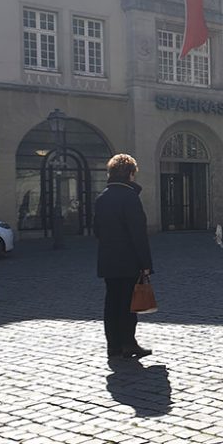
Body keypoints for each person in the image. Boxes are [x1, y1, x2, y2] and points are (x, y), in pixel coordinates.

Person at [93, 154, 154, 360]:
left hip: (108, 260)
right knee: (129, 304)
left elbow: (97, 230)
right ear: (130, 174)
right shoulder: (130, 198)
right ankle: (128, 342)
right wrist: (145, 264)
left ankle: (113, 346)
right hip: (128, 261)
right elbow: (138, 234)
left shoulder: (102, 198)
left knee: (111, 303)